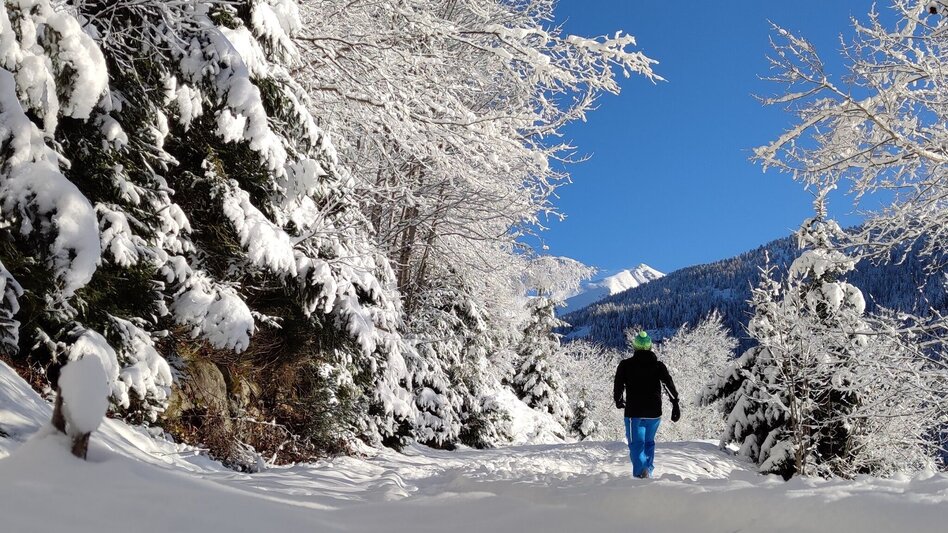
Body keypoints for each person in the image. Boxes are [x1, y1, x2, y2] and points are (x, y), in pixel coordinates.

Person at [613, 331, 680, 479]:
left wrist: (618, 400)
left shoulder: (625, 365)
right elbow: (668, 384)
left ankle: (641, 473)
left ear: (635, 347)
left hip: (634, 413)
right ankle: (648, 471)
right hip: (654, 413)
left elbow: (618, 385)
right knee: (649, 442)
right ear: (650, 347)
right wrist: (675, 403)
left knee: (636, 444)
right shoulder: (658, 366)